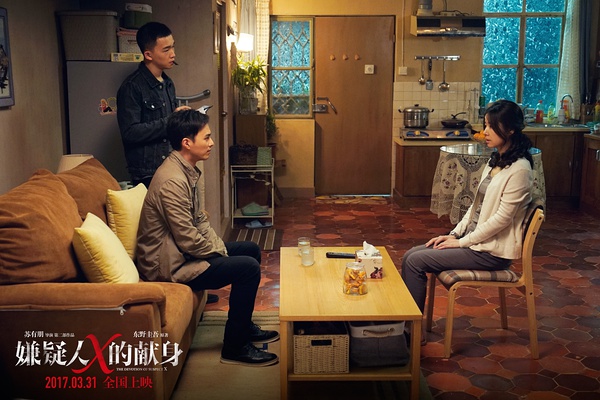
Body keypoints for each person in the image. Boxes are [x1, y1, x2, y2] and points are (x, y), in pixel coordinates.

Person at [136, 108, 279, 367]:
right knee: (247, 268)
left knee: (250, 250)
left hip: (181, 252)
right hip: (168, 264)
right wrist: (219, 252)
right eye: (207, 137)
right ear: (187, 143)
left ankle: (243, 326)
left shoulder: (185, 169)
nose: (212, 143)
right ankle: (235, 347)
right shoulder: (172, 181)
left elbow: (199, 220)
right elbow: (188, 239)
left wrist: (218, 247)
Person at [401, 99, 534, 319]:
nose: (485, 132)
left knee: (415, 261)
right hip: (475, 243)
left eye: (492, 126)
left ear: (511, 129)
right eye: (485, 125)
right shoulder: (497, 161)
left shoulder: (520, 169)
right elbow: (475, 206)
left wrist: (462, 242)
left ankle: (410, 328)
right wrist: (453, 234)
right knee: (410, 255)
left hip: (490, 253)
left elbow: (502, 219)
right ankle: (406, 325)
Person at [117, 21, 191, 188]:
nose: (173, 54)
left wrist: (181, 120)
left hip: (170, 164)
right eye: (166, 50)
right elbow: (130, 132)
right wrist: (170, 121)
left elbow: (168, 127)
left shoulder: (168, 83)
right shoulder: (132, 87)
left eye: (173, 47)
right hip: (147, 172)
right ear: (148, 55)